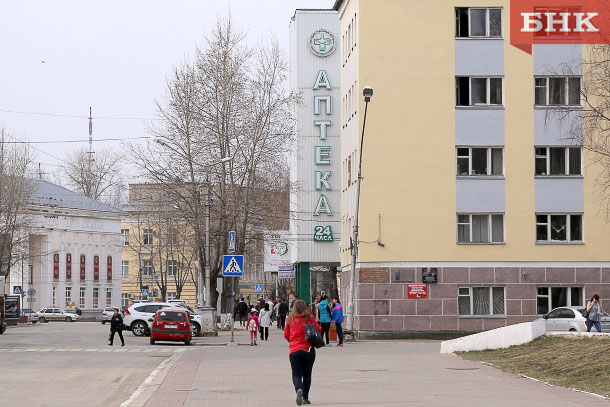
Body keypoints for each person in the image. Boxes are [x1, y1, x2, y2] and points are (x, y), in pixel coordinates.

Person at [284, 299, 321, 406]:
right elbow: (319, 329)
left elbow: (286, 335)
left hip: (294, 350)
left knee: (296, 374)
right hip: (308, 350)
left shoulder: (290, 319)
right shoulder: (309, 318)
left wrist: (293, 341)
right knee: (307, 374)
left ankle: (298, 389)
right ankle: (305, 398)